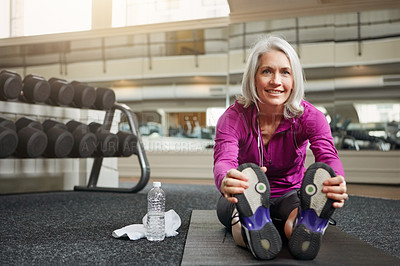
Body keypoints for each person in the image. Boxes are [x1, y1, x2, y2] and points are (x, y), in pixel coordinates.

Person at [213, 35, 348, 260]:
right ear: (253, 77)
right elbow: (224, 160)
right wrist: (227, 179)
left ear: (294, 79)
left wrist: (337, 181)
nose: (276, 81)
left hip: (291, 193)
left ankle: (302, 226)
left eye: (285, 72)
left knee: (296, 216)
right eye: (267, 71)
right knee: (233, 208)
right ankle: (250, 227)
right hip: (246, 193)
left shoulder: (310, 117)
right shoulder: (233, 117)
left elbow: (327, 156)